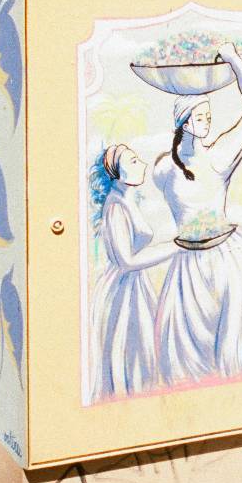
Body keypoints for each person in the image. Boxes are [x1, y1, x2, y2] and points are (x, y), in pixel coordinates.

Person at [152, 45, 242, 386]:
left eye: (209, 116)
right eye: (200, 117)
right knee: (187, 353)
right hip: (188, 265)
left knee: (237, 343)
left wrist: (233, 59)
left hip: (228, 258)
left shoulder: (219, 156)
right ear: (184, 122)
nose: (208, 122)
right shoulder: (163, 168)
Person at [88, 144, 178, 402]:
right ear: (115, 172)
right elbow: (127, 261)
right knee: (127, 351)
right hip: (122, 293)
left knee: (143, 351)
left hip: (136, 286)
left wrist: (176, 245)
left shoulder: (128, 199)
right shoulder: (115, 207)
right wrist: (175, 247)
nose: (143, 164)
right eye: (133, 160)